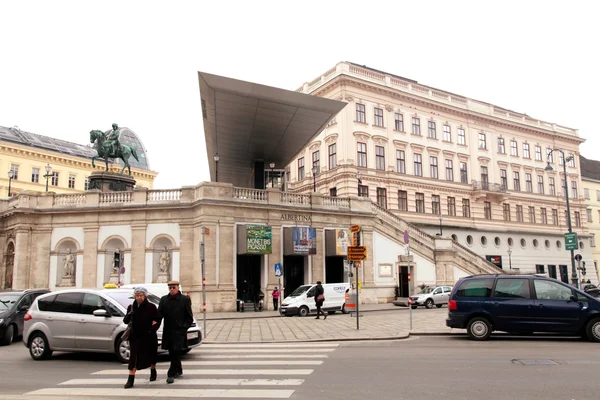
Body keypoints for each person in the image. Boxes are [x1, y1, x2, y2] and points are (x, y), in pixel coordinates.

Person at [123, 287, 161, 389]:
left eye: (141, 296)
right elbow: (125, 321)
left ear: (145, 296)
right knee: (133, 358)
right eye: (137, 295)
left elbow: (157, 319)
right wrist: (129, 315)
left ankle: (153, 370)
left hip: (148, 336)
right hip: (135, 337)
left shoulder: (151, 307)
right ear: (135, 296)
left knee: (151, 355)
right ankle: (130, 379)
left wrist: (152, 329)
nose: (139, 297)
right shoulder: (131, 307)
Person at [158, 280, 194, 384]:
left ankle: (170, 373)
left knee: (176, 351)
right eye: (170, 288)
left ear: (178, 288)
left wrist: (184, 328)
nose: (172, 289)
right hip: (168, 331)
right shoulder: (164, 299)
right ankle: (179, 369)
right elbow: (159, 314)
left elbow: (189, 317)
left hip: (179, 331)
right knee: (172, 353)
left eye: (174, 287)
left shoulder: (184, 299)